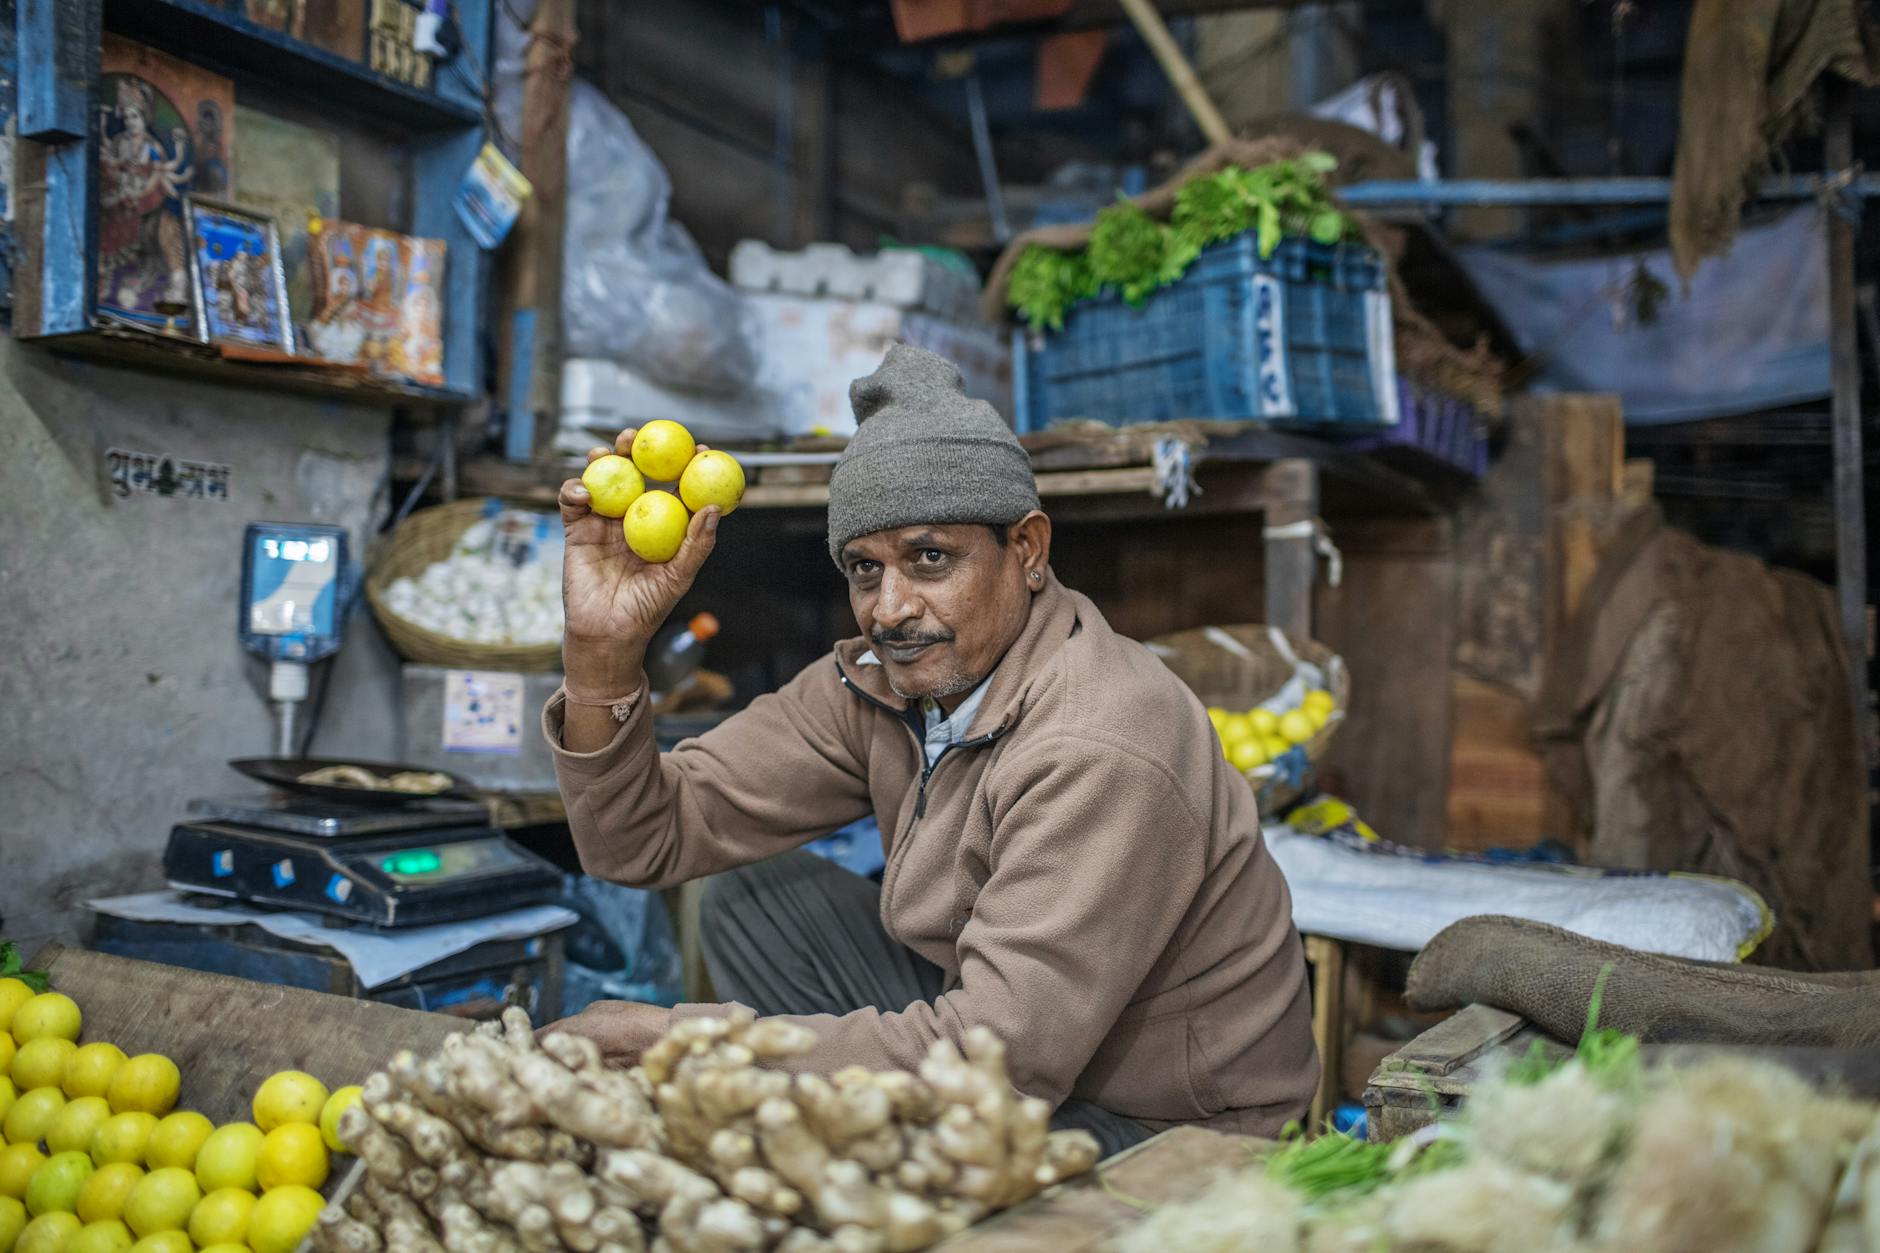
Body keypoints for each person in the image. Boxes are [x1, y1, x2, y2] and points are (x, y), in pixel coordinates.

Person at [545, 343, 1316, 1154]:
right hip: (1018, 1050)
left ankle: (855, 1160)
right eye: (864, 569)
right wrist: (602, 653)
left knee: (898, 1155)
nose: (893, 608)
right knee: (757, 902)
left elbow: (999, 1063)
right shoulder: (885, 680)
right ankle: (846, 1147)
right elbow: (640, 837)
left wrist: (688, 1044)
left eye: (931, 557)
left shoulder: (1101, 739)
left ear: (1027, 551)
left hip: (1174, 1126)